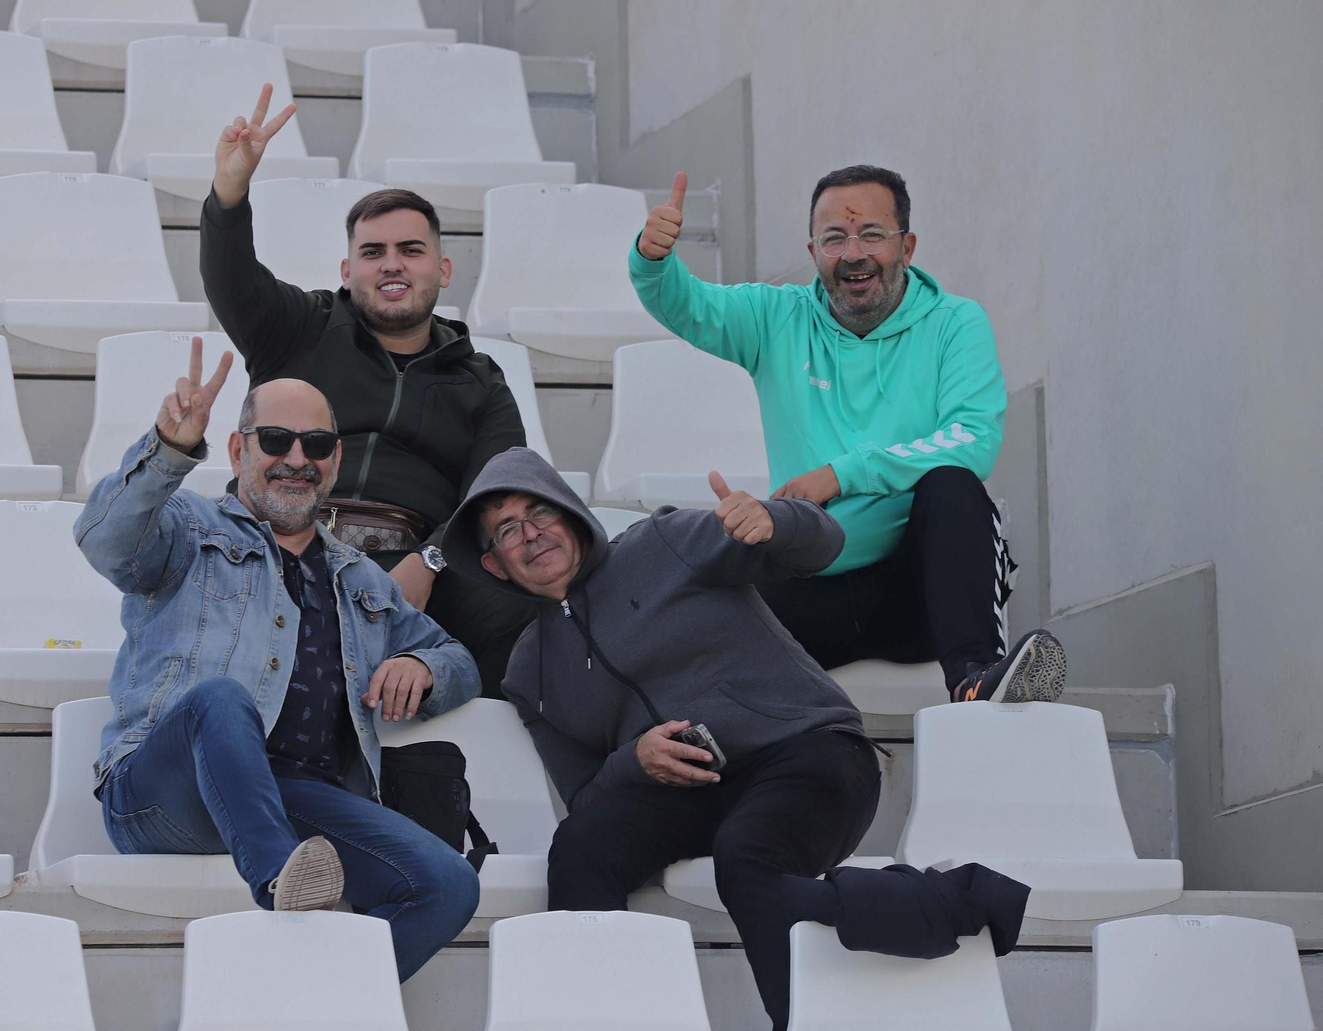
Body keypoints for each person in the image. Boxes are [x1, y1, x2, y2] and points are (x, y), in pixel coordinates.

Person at [75, 337, 481, 981]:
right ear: (238, 451)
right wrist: (169, 450)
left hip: (295, 798)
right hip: (162, 792)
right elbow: (105, 542)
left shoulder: (361, 581)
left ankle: (311, 1009)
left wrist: (427, 669)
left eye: (317, 445)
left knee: (448, 885)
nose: (297, 459)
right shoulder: (189, 528)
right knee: (219, 700)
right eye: (275, 440)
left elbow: (457, 657)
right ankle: (277, 879)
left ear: (336, 460)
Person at [440, 445, 883, 1030]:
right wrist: (635, 759)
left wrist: (777, 521)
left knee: (748, 855)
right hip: (691, 791)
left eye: (541, 512)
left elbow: (821, 544)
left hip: (808, 750)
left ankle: (809, 1020)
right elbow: (587, 797)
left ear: (572, 515)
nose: (531, 534)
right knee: (580, 847)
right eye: (506, 529)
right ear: (494, 563)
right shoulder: (528, 673)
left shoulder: (664, 542)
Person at [629, 165, 1065, 703]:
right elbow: (685, 304)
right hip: (803, 589)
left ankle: (976, 678)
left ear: (907, 246)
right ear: (813, 252)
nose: (853, 253)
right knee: (712, 564)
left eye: (872, 235)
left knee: (953, 487)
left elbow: (973, 439)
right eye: (834, 238)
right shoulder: (777, 318)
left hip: (917, 596)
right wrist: (653, 260)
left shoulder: (955, 323)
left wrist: (841, 474)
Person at [198, 85, 534, 698]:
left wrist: (428, 563)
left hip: (415, 564)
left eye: (411, 250)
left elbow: (496, 488)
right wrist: (230, 193)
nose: (392, 265)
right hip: (286, 536)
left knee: (537, 621)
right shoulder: (301, 327)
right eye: (372, 252)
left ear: (443, 268)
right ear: (347, 271)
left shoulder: (479, 378)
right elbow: (231, 279)